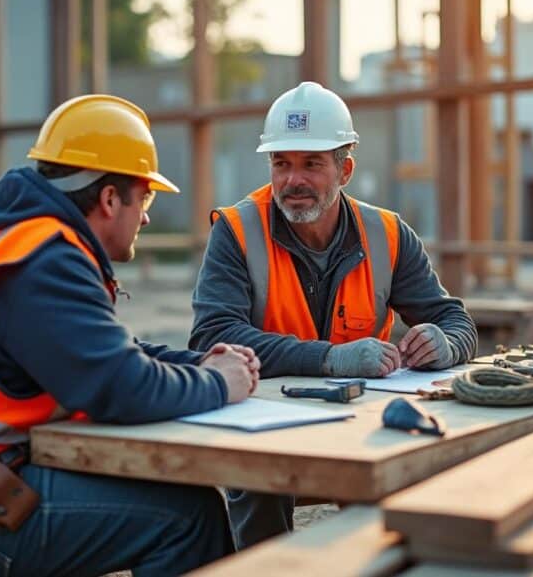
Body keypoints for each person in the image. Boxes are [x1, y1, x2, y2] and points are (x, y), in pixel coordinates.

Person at [0, 94, 260, 576]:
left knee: (176, 503)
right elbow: (121, 390)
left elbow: (114, 355)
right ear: (110, 198)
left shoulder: (32, 243)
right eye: (145, 197)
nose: (147, 216)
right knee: (188, 517)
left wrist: (199, 363)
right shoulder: (45, 262)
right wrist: (220, 384)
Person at [189, 81, 476, 549]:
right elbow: (211, 338)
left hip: (359, 426)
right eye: (281, 163)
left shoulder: (386, 234)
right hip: (266, 429)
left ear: (345, 169)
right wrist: (331, 358)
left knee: (408, 485)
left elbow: (455, 320)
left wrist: (447, 344)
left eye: (311, 164)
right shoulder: (238, 231)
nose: (292, 180)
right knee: (260, 484)